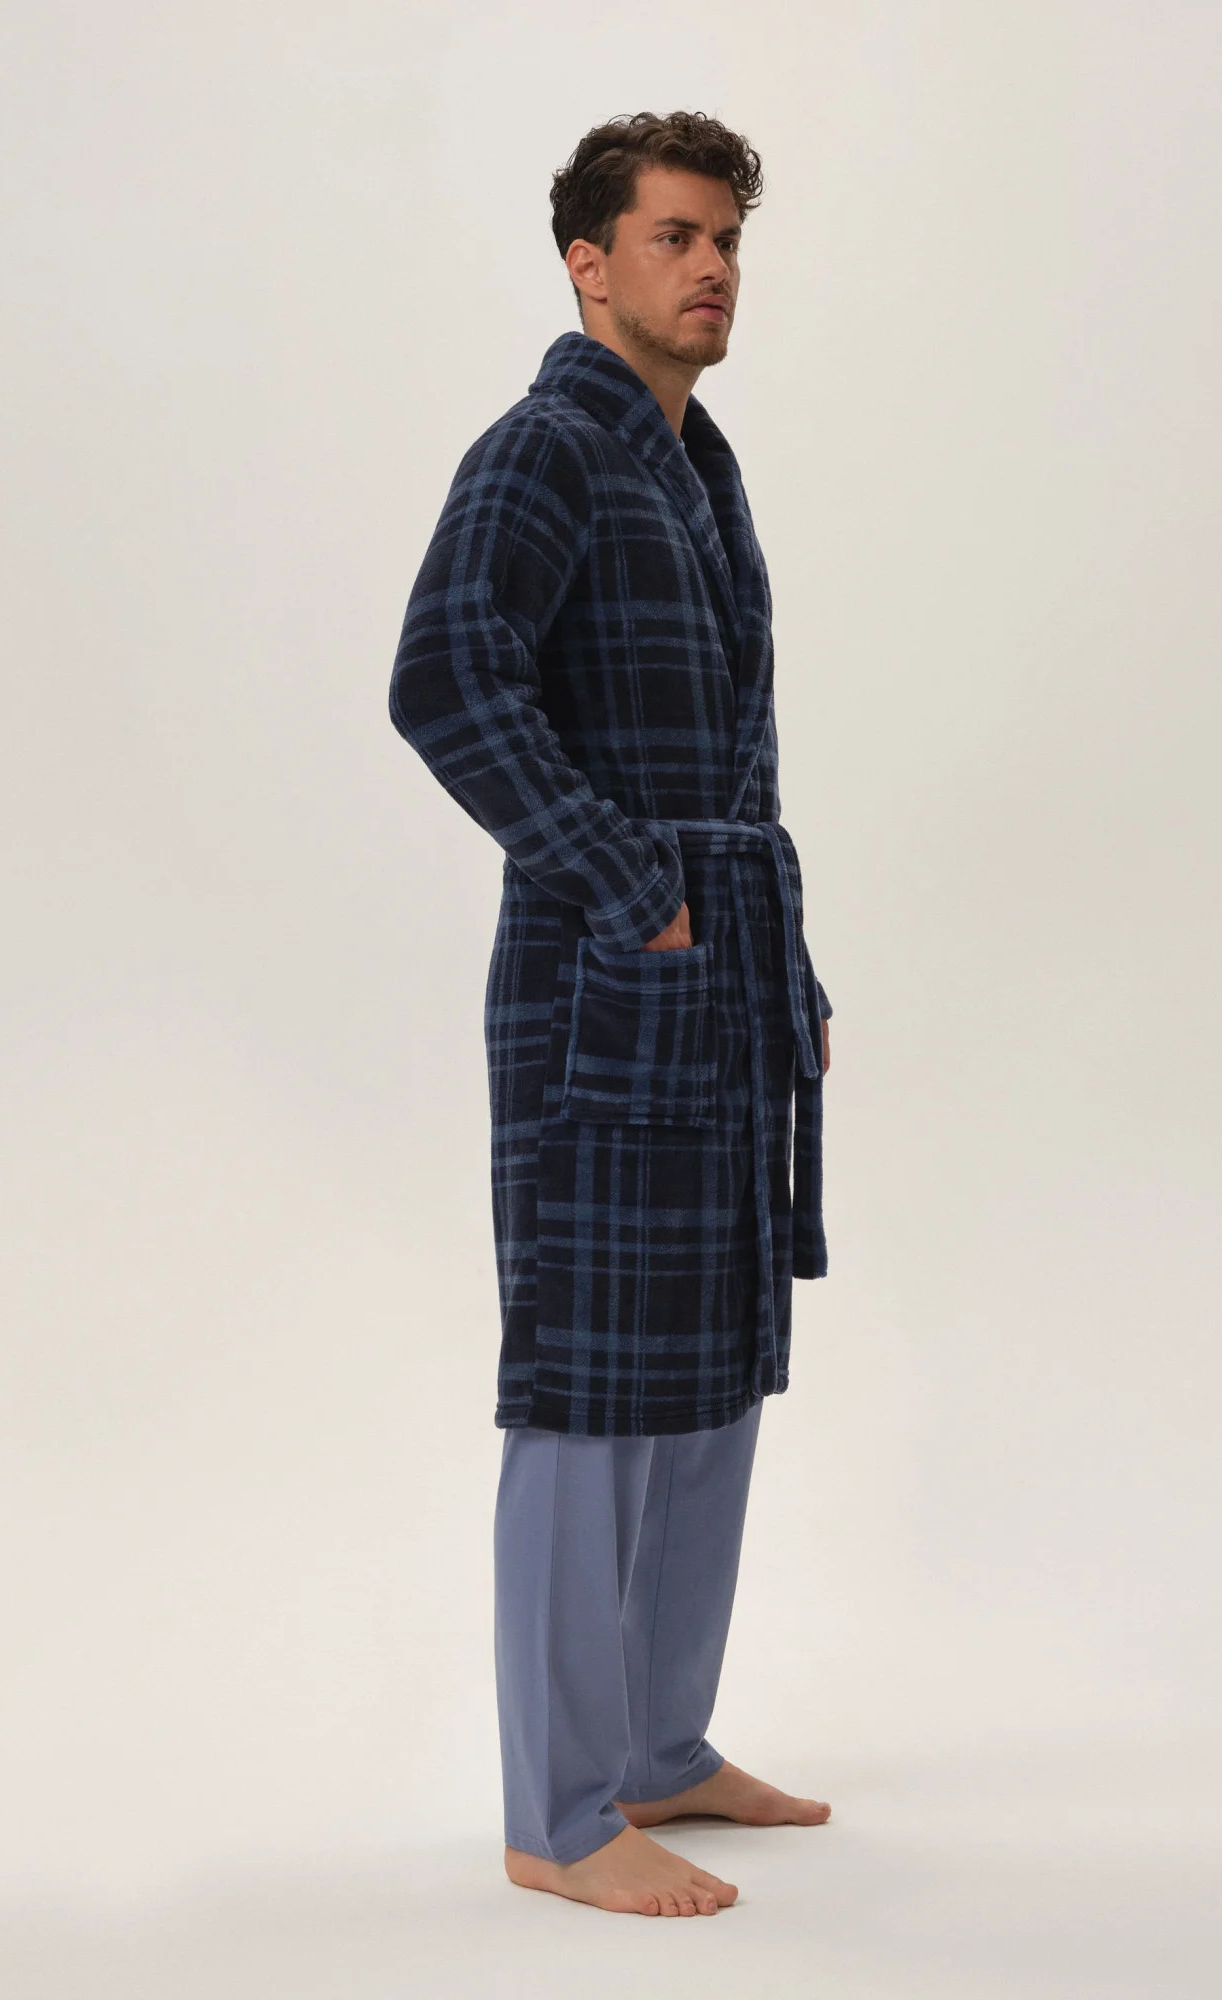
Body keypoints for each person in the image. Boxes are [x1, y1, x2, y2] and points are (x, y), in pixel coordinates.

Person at [389, 110, 834, 1919]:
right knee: (591, 1381)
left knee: (710, 1362)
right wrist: (628, 885)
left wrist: (778, 966)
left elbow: (732, 754)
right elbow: (443, 676)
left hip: (719, 959)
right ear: (589, 265)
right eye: (674, 237)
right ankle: (561, 1817)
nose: (712, 266)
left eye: (726, 239)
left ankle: (656, 1745)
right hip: (606, 971)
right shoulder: (543, 449)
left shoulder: (699, 466)